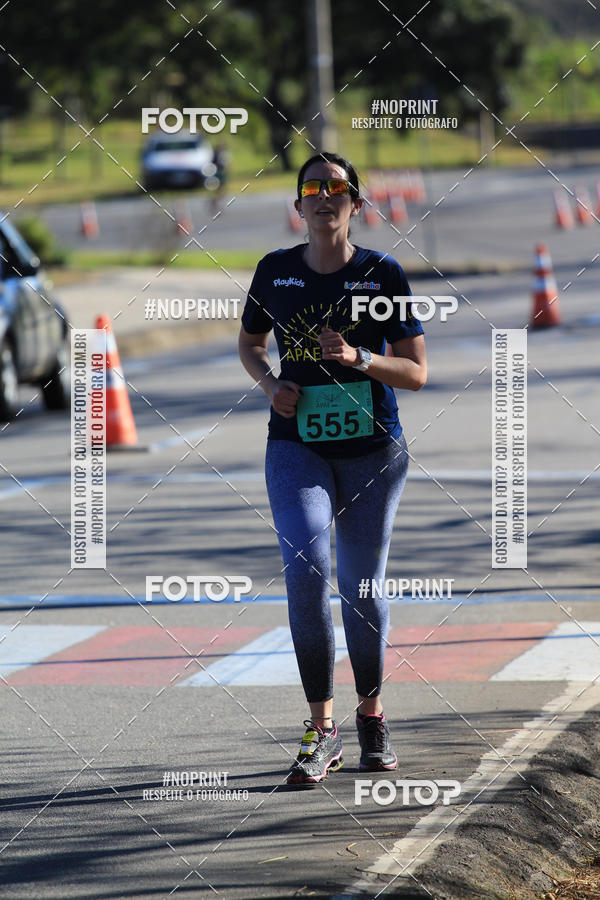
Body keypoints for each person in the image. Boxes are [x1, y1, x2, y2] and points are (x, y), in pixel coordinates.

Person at [238, 152, 427, 785]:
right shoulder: (275, 273)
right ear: (298, 206)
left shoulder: (383, 275)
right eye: (311, 188)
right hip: (297, 445)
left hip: (374, 451)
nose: (323, 197)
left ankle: (372, 715)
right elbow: (249, 343)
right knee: (308, 567)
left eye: (336, 188)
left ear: (355, 204)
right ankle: (322, 728)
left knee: (362, 584)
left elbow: (417, 372)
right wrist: (270, 385)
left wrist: (359, 357)